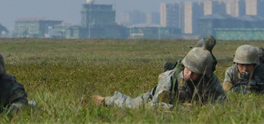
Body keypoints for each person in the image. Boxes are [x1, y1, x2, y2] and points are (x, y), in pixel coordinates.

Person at [93, 46, 226, 109]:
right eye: (188, 69)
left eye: (195, 72)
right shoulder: (170, 80)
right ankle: (106, 100)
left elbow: (223, 105)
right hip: (151, 99)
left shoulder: (210, 81)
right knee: (130, 105)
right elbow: (156, 106)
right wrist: (185, 109)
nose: (189, 74)